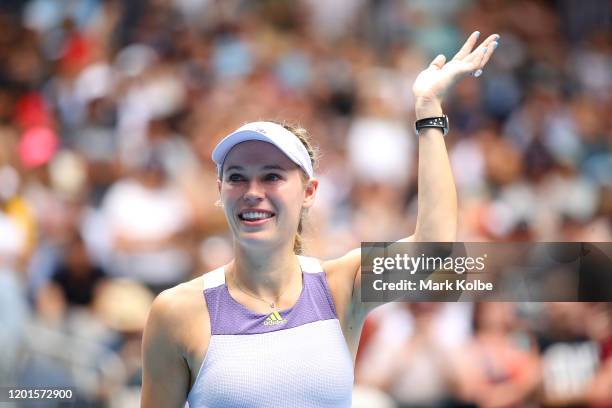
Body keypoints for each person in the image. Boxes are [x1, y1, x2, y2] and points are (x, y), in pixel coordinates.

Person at [141, 31, 500, 407]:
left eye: (272, 176)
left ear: (309, 192)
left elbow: (434, 247)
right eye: (236, 178)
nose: (252, 190)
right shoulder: (176, 311)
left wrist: (428, 110)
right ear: (220, 191)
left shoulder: (340, 287)